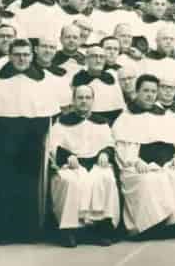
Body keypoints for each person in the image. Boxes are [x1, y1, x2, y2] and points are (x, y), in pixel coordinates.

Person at [0, 39, 61, 243]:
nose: (21, 59)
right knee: (2, 185)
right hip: (3, 142)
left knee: (27, 186)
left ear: (32, 56)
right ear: (10, 56)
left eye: (26, 55)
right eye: (17, 54)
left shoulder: (42, 80)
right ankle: (1, 232)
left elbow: (49, 114)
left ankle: (26, 232)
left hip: (31, 142)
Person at [112, 74, 175, 239]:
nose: (150, 95)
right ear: (137, 92)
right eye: (146, 91)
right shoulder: (126, 117)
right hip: (138, 162)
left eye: (153, 91)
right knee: (149, 179)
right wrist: (136, 161)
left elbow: (174, 140)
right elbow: (122, 146)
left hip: (166, 159)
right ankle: (150, 226)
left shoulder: (163, 115)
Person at [48, 85, 120, 247]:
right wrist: (67, 156)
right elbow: (53, 146)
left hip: (96, 163)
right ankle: (69, 230)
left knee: (106, 178)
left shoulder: (102, 123)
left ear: (93, 101)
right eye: (80, 98)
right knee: (71, 181)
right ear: (73, 100)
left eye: (88, 98)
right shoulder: (61, 123)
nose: (84, 101)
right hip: (72, 165)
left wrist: (105, 153)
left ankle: (101, 229)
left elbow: (110, 144)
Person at [71, 45, 127, 122]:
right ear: (86, 59)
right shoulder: (78, 78)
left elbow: (121, 104)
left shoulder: (112, 75)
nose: (98, 60)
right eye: (94, 56)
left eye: (101, 57)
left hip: (116, 119)